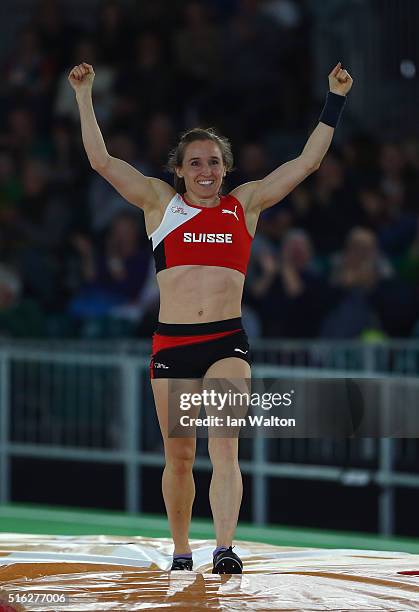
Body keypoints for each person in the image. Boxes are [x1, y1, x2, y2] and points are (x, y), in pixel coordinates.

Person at [69, 60, 353, 573]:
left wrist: (334, 100)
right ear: (179, 170)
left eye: (215, 163)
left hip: (226, 341)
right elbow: (101, 161)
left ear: (227, 169)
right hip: (172, 345)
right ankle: (181, 553)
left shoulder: (244, 205)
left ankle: (224, 548)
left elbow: (307, 163)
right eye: (196, 163)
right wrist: (84, 94)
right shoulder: (159, 204)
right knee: (179, 457)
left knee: (224, 446)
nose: (206, 172)